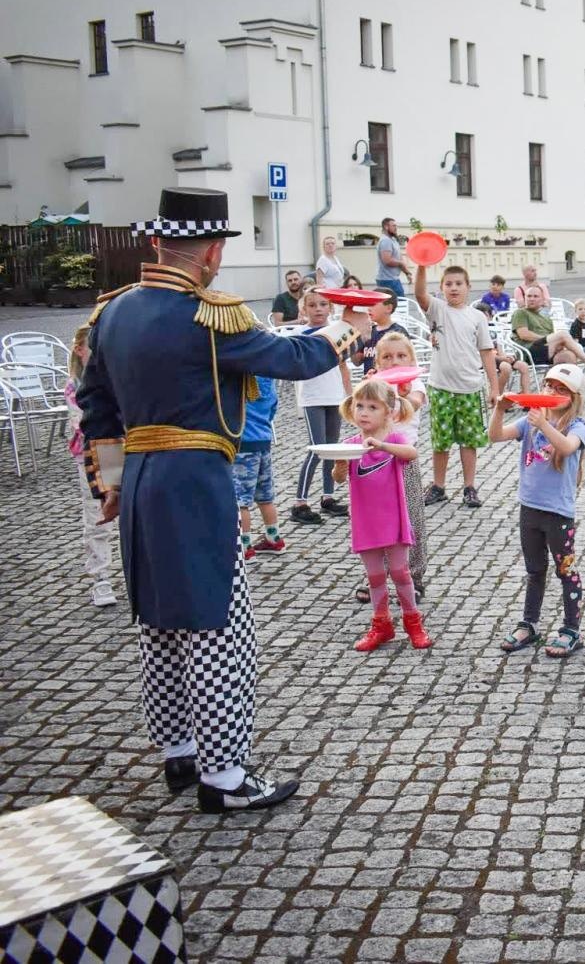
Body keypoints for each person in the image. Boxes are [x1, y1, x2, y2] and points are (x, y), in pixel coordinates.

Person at [77, 185, 362, 812]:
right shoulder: (210, 316)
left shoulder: (113, 313)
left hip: (143, 483)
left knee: (158, 619)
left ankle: (179, 751)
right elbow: (296, 357)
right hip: (196, 480)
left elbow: (94, 404)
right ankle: (226, 776)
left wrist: (114, 482)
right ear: (208, 252)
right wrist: (348, 325)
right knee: (218, 626)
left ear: (159, 242)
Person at [491, 363, 585, 658]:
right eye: (550, 386)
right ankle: (529, 623)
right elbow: (494, 436)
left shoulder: (577, 425)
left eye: (562, 389)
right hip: (529, 508)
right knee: (535, 570)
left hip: (558, 512)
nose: (554, 392)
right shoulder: (529, 422)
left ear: (574, 397)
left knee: (566, 570)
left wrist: (544, 425)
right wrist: (500, 409)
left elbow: (569, 447)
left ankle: (571, 628)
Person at [333, 378, 430, 652]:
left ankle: (414, 623)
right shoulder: (351, 445)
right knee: (374, 577)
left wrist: (382, 446)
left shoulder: (394, 439)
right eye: (359, 406)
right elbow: (339, 478)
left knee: (400, 572)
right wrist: (340, 465)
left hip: (394, 521)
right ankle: (381, 625)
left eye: (372, 407)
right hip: (366, 522)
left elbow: (411, 453)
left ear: (388, 411)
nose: (363, 412)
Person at [413, 260, 499, 509]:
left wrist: (494, 387)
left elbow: (486, 353)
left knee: (469, 441)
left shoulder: (477, 317)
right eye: (448, 284)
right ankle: (438, 486)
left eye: (459, 284)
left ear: (468, 287)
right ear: (441, 288)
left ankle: (469, 487)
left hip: (470, 387)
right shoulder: (438, 309)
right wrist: (421, 265)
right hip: (440, 387)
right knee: (441, 441)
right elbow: (419, 293)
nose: (454, 288)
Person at [363, 335, 430, 604]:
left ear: (411, 359)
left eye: (401, 356)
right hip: (374, 460)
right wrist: (370, 387)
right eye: (387, 357)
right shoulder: (373, 385)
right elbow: (361, 412)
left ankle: (414, 576)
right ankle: (375, 575)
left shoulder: (416, 385)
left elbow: (408, 407)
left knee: (411, 518)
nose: (395, 361)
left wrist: (394, 393)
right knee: (374, 520)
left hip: (404, 460)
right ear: (378, 362)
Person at [65, 324, 119, 607]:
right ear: (79, 350)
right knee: (98, 515)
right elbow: (83, 423)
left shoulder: (115, 378)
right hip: (97, 451)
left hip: (123, 446)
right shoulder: (76, 385)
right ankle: (100, 577)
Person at [290, 289, 353, 525]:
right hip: (313, 398)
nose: (318, 309)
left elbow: (343, 366)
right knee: (316, 450)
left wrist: (349, 395)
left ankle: (328, 497)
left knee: (332, 450)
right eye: (313, 305)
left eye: (323, 304)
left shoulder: (336, 332)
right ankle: (300, 502)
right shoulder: (300, 333)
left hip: (334, 396)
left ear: (330, 308)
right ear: (304, 309)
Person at [233, 371, 284, 562]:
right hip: (264, 441)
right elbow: (273, 410)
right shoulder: (269, 381)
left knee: (241, 500)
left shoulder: (241, 383)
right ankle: (273, 538)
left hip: (243, 444)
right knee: (265, 497)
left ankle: (245, 546)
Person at [354, 293, 409, 375]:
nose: (369, 308)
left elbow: (406, 361)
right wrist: (355, 336)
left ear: (388, 308)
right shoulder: (368, 331)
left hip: (390, 383)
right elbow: (357, 361)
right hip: (370, 384)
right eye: (368, 304)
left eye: (373, 304)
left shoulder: (398, 332)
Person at [374, 217, 409, 298]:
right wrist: (401, 263)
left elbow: (399, 259)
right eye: (393, 226)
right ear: (386, 227)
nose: (396, 228)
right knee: (399, 303)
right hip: (387, 280)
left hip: (393, 279)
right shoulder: (385, 241)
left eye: (396, 226)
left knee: (399, 304)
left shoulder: (393, 240)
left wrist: (407, 273)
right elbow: (387, 260)